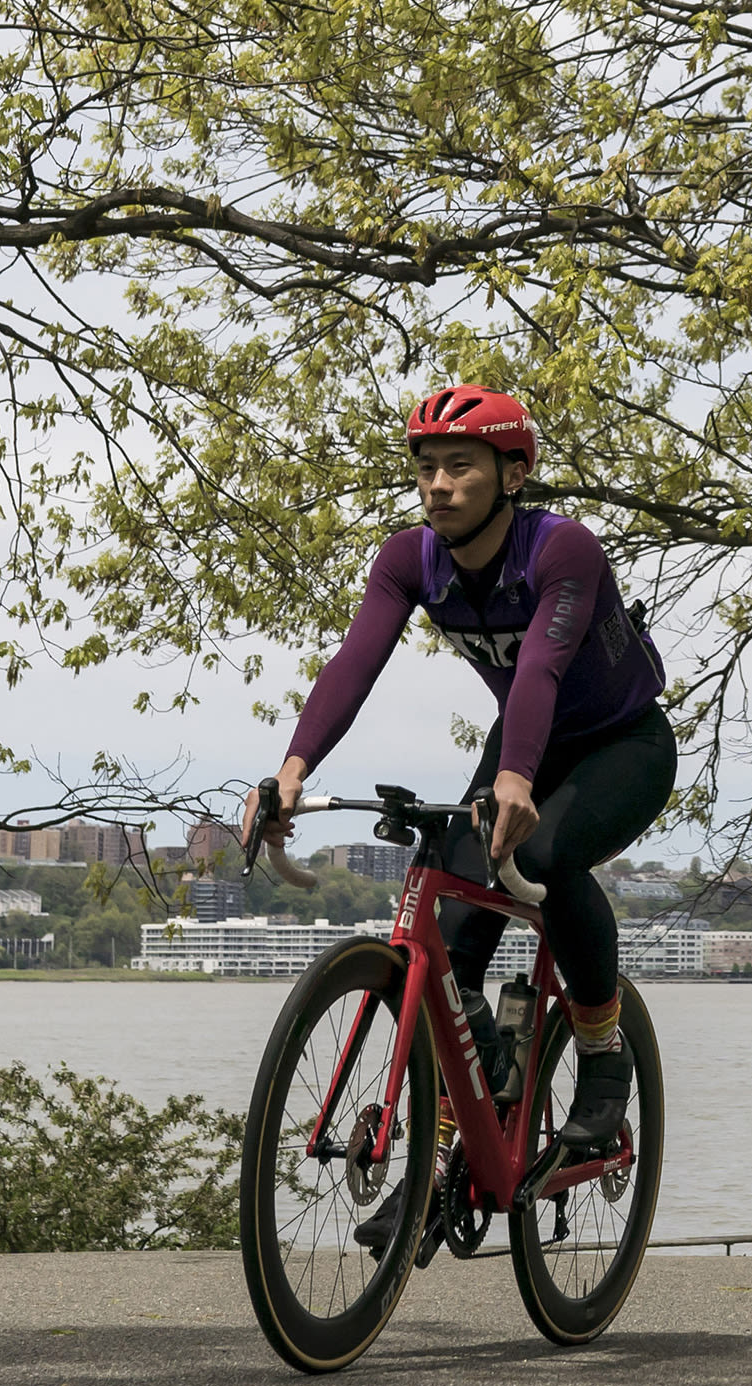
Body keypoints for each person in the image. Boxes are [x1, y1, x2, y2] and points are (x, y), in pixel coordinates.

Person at [242, 384, 676, 1252]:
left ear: (512, 473)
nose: (437, 485)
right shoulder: (411, 559)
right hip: (521, 744)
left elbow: (543, 671)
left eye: (459, 467)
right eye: (426, 468)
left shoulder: (563, 550)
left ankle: (600, 1058)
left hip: (619, 745)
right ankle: (446, 1164)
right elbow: (353, 663)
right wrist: (291, 773)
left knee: (543, 861)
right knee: (452, 949)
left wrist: (516, 776)